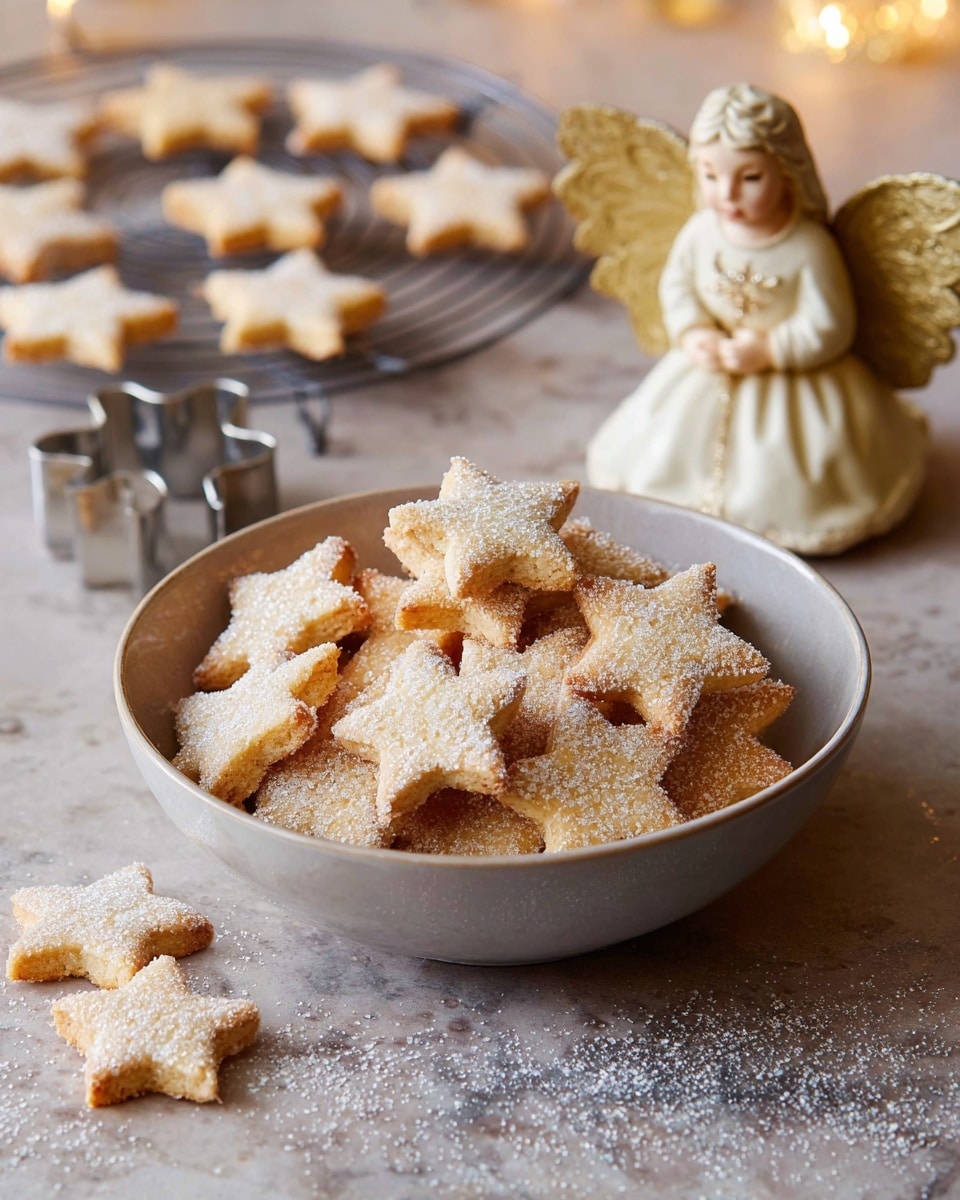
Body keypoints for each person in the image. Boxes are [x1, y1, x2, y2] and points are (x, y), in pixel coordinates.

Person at [585, 83, 929, 555]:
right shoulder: (701, 231)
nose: (726, 193)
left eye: (749, 178)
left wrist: (770, 348)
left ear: (787, 173)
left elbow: (830, 324)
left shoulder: (808, 247)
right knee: (665, 449)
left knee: (793, 473)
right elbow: (677, 285)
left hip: (798, 385)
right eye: (709, 175)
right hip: (707, 368)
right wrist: (693, 331)